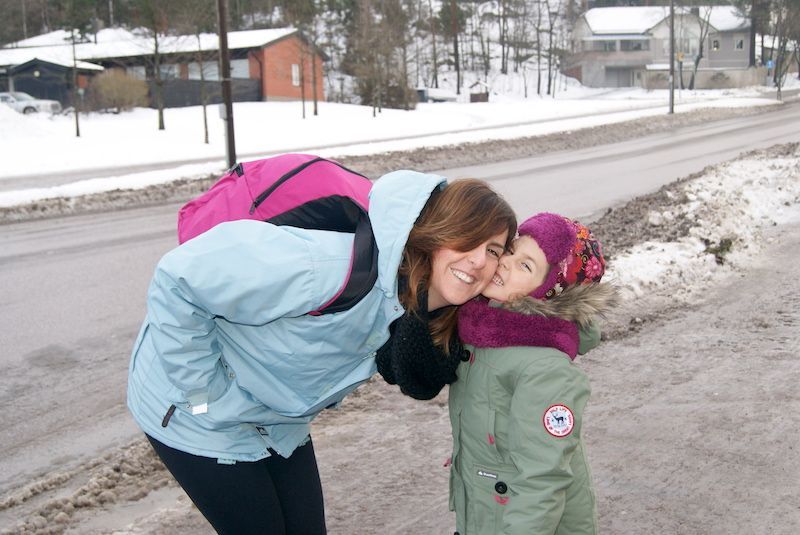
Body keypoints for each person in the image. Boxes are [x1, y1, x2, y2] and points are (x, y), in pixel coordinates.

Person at [126, 169, 516, 535]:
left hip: (276, 419)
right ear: (437, 231)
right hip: (194, 415)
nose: (480, 261)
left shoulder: (419, 307)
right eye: (469, 238)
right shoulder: (323, 264)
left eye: (495, 250)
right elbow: (177, 280)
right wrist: (204, 398)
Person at [448, 212, 617, 535]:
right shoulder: (484, 332)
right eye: (511, 252)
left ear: (548, 291)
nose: (507, 264)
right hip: (484, 518)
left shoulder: (544, 368)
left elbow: (543, 478)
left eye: (526, 266)